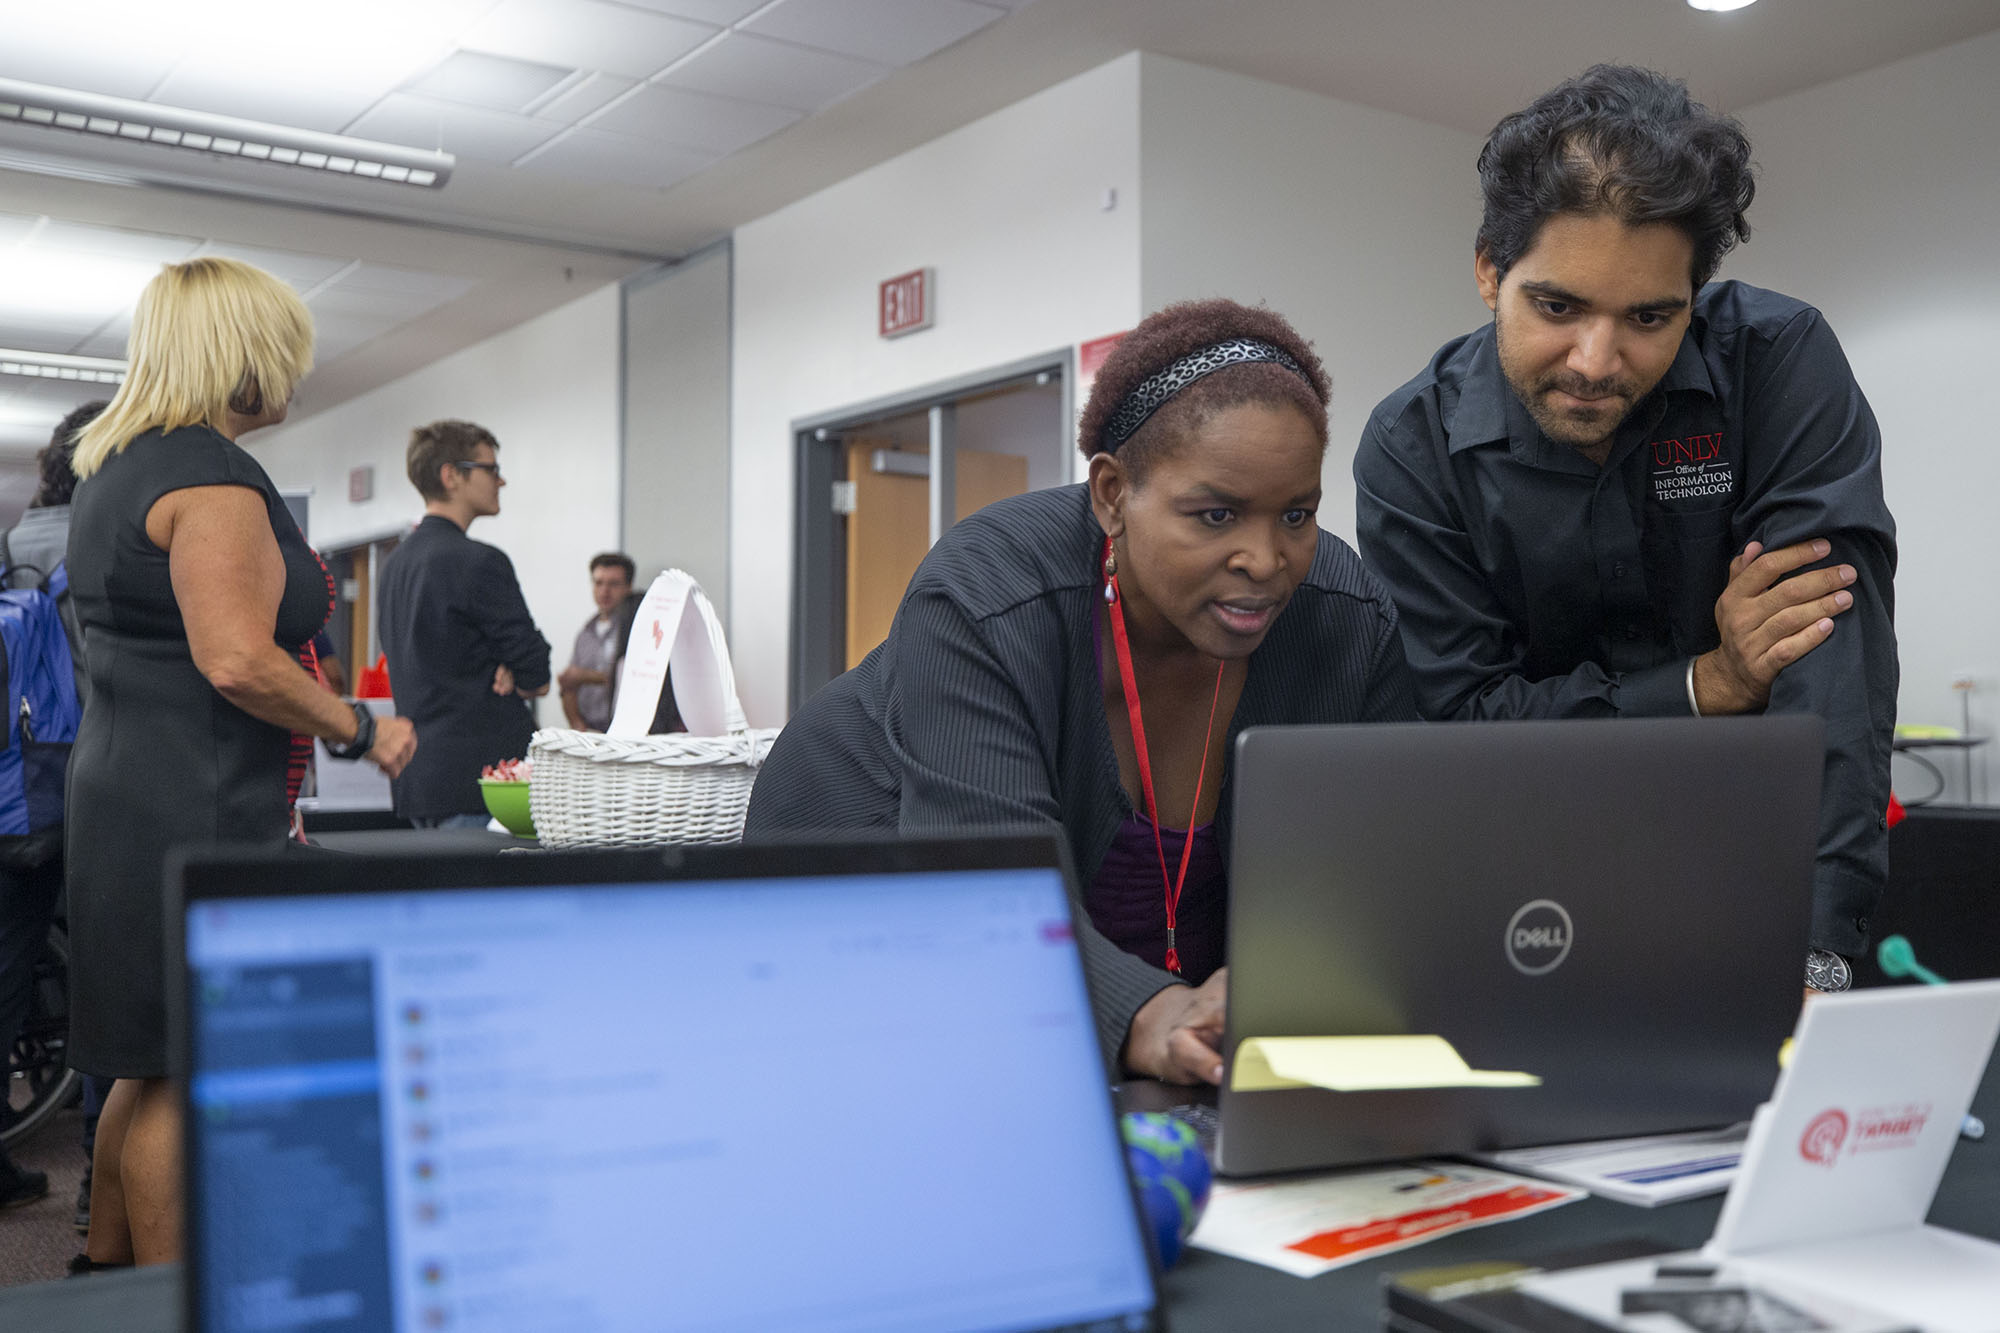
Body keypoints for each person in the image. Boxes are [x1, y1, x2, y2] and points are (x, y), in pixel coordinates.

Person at [746, 299, 1416, 1084]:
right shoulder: (985, 593)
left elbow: (1374, 880)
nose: (1266, 559)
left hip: (1147, 1049)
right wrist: (1149, 1013)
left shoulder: (1345, 617)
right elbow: (982, 903)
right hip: (867, 959)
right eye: (1216, 514)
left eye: (1297, 513)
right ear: (1111, 493)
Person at [1353, 65, 1897, 996]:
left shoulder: (1775, 363)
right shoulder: (1415, 451)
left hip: (1761, 863)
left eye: (1651, 317)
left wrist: (1816, 953)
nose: (1597, 363)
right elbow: (1469, 726)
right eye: (1558, 307)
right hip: (1527, 887)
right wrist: (1708, 683)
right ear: (1490, 270)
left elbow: (1827, 659)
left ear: (1697, 294)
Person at [64, 256, 416, 1268]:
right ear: (244, 354)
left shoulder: (116, 467)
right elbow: (235, 657)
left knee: (146, 1065)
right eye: (286, 349)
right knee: (192, 1066)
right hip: (197, 798)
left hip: (129, 791)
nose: (297, 369)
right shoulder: (208, 478)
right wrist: (358, 725)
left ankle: (105, 1283)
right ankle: (182, 1298)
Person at [0, 399, 102, 1213]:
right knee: (105, 961)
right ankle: (103, 1161)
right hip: (84, 774)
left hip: (13, 782)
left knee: (10, 958)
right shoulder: (105, 541)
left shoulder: (17, 537)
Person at [377, 420, 551, 829]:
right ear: (451, 475)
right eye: (491, 469)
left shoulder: (395, 565)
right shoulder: (479, 561)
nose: (501, 480)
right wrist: (514, 671)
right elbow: (538, 675)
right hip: (480, 786)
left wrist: (509, 668)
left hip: (420, 780)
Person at [558, 552, 634, 731]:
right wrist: (577, 723)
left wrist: (586, 676)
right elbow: (569, 686)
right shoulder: (585, 634)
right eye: (599, 583)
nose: (604, 591)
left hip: (624, 731)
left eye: (613, 584)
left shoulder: (634, 631)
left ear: (628, 587)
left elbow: (637, 682)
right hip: (589, 731)